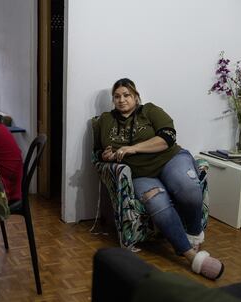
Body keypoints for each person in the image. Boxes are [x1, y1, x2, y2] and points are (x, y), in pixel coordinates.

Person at [93, 78, 224, 280]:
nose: (121, 100)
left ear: (136, 97)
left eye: (126, 95)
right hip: (141, 174)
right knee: (157, 203)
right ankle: (191, 256)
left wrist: (133, 148)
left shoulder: (150, 110)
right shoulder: (105, 120)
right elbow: (99, 151)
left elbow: (168, 137)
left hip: (170, 159)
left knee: (187, 188)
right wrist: (106, 155)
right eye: (117, 96)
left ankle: (195, 232)